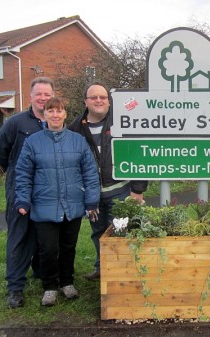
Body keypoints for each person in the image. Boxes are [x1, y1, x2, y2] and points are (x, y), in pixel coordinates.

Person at [14, 97, 100, 306]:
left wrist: (91, 202)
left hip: (72, 204)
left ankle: (67, 282)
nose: (55, 115)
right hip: (45, 205)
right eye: (50, 111)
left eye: (59, 111)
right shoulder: (33, 142)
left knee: (68, 246)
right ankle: (50, 286)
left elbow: (89, 172)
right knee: (48, 249)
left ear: (64, 115)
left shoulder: (77, 141)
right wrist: (23, 200)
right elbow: (23, 173)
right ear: (44, 115)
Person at [69, 82, 148, 280]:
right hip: (92, 196)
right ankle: (102, 269)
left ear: (109, 102)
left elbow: (140, 155)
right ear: (85, 102)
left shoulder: (122, 122)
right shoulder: (75, 128)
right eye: (94, 97)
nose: (99, 100)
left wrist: (137, 189)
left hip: (120, 191)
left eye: (103, 97)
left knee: (121, 232)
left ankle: (123, 273)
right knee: (98, 233)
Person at [0, 77, 54, 308]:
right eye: (39, 94)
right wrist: (17, 175)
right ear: (30, 97)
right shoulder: (16, 123)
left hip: (46, 191)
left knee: (44, 235)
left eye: (47, 94)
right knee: (19, 238)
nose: (43, 98)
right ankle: (15, 287)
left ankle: (43, 275)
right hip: (20, 190)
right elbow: (0, 152)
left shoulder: (55, 122)